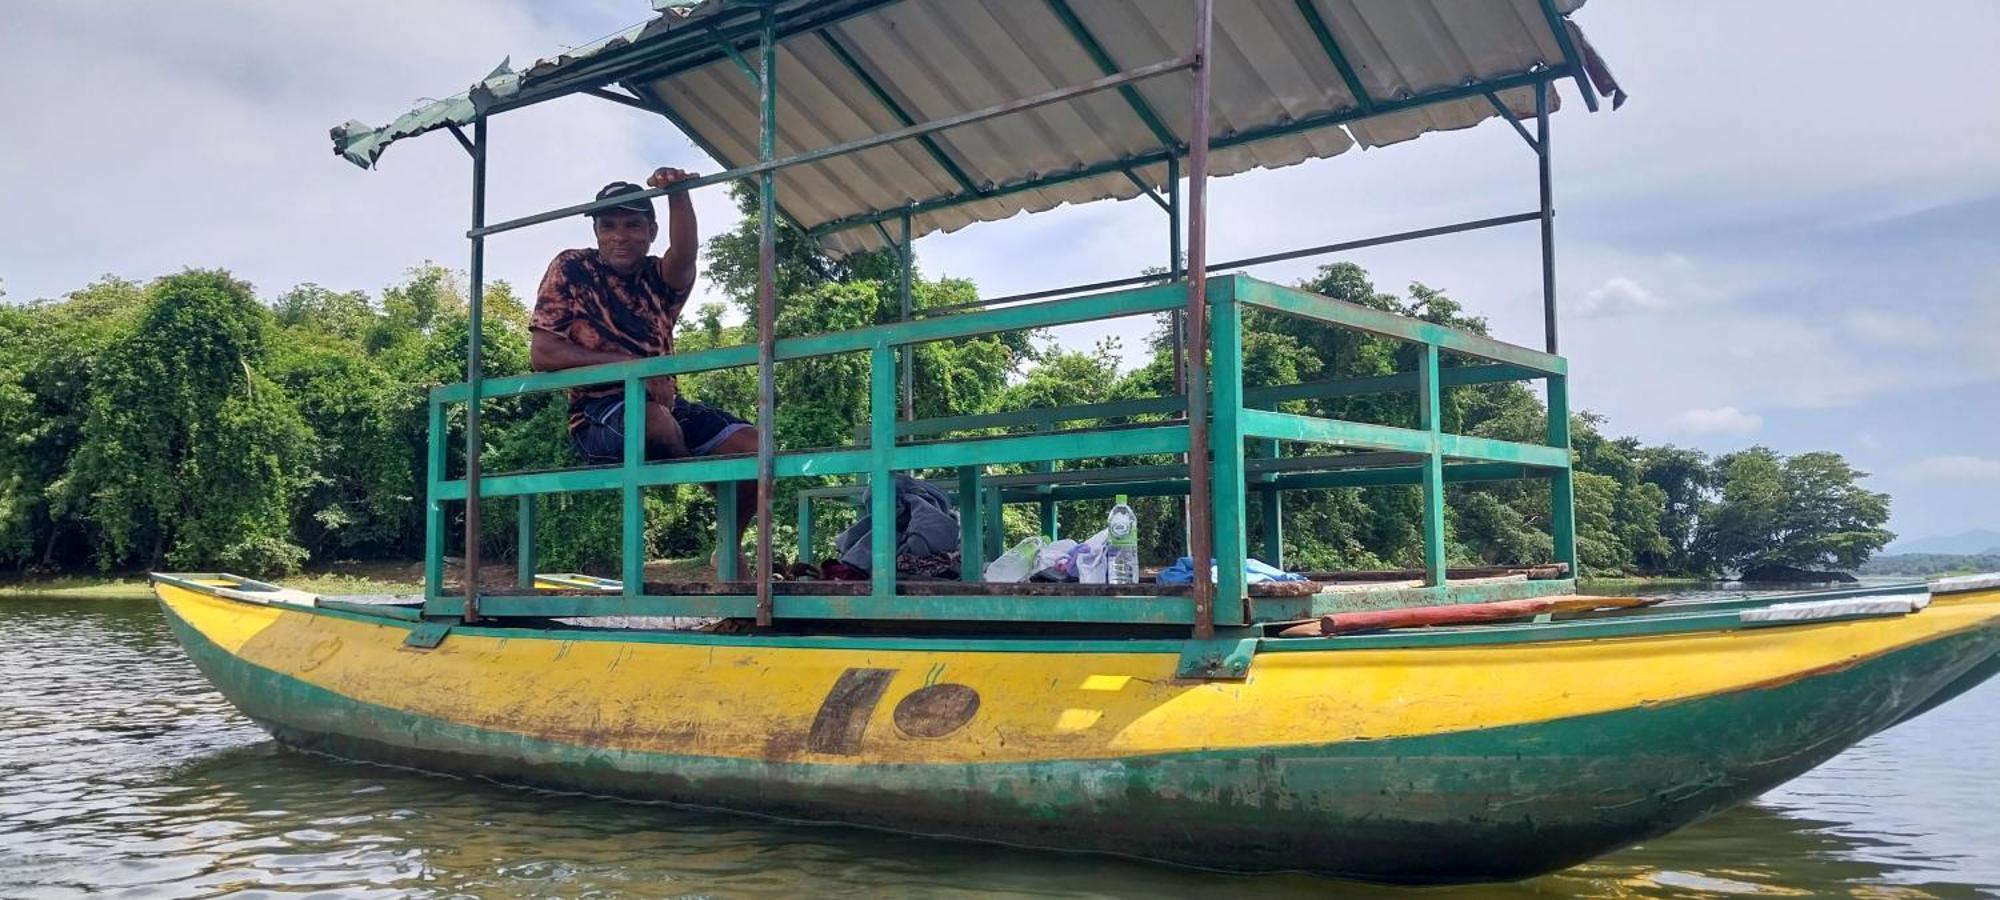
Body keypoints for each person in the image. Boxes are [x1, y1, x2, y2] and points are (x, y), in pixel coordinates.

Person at [529, 168, 756, 575]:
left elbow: (684, 256)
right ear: (596, 232)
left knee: (754, 446)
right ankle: (704, 478)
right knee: (653, 420)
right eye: (609, 226)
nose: (620, 236)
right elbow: (543, 353)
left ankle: (728, 543)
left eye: (633, 225)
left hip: (668, 405)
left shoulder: (658, 278)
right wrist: (632, 368)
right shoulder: (572, 268)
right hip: (597, 415)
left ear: (651, 231)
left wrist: (678, 194)